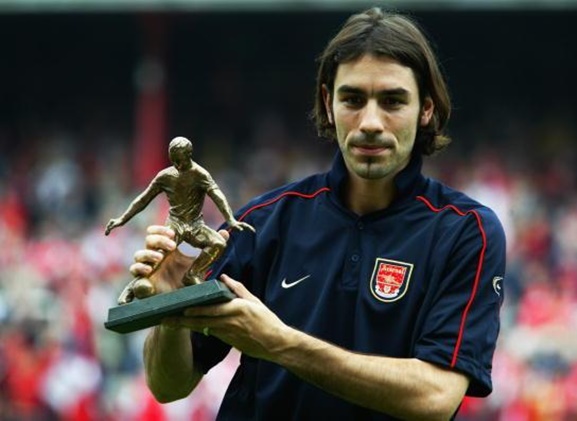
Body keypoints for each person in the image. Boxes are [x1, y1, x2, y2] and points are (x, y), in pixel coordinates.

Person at [132, 7, 506, 420]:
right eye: (353, 99)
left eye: (392, 101)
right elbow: (168, 385)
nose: (370, 122)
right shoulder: (262, 222)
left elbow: (435, 397)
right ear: (329, 104)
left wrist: (280, 342)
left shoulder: (466, 231)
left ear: (426, 110)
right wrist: (170, 313)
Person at [105, 136, 254, 304]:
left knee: (218, 243)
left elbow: (217, 195)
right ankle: (130, 288)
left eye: (180, 160)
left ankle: (192, 274)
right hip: (175, 223)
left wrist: (230, 219)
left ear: (188, 155)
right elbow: (143, 199)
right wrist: (122, 219)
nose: (177, 164)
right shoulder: (165, 176)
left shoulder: (199, 174)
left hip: (195, 224)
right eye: (174, 160)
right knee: (159, 254)